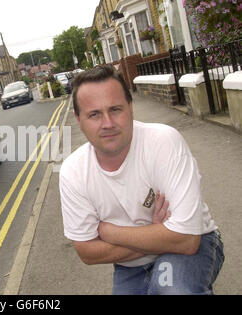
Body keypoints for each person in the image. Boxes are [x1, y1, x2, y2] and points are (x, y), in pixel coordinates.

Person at [59, 65, 224, 295]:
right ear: (79, 119)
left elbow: (186, 239)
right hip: (131, 267)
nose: (107, 123)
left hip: (197, 243)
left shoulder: (163, 142)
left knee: (173, 290)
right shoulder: (73, 172)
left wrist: (110, 232)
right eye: (94, 114)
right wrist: (158, 232)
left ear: (131, 108)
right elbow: (87, 252)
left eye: (115, 109)